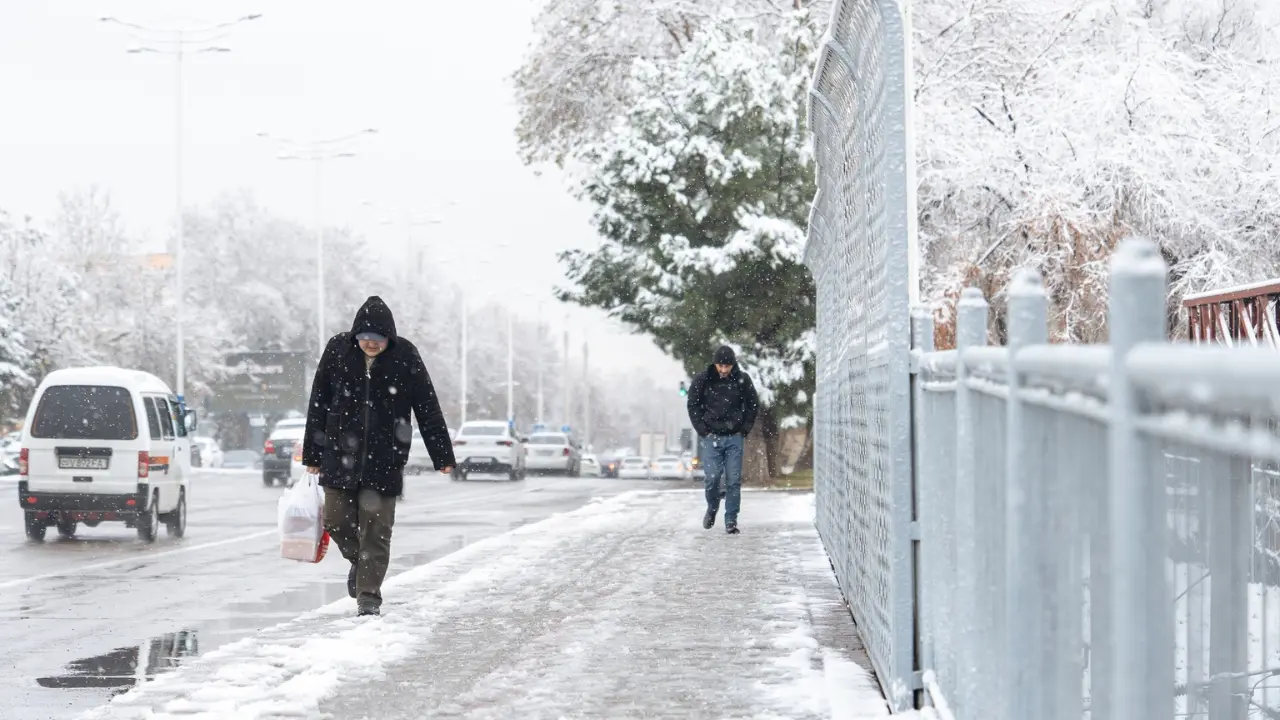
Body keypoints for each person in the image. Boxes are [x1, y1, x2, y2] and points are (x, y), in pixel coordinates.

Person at [301, 296, 455, 617]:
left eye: (378, 339)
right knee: (336, 520)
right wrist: (313, 453)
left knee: (376, 530)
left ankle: (368, 597)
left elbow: (427, 406)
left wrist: (441, 454)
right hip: (338, 455)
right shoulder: (338, 351)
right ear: (355, 335)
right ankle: (360, 562)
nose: (370, 344)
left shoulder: (406, 356)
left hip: (385, 460)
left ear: (390, 338)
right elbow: (319, 401)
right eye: (364, 339)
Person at [685, 345, 759, 535]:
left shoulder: (742, 380)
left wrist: (744, 429)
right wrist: (703, 430)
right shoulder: (703, 380)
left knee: (733, 480)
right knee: (712, 478)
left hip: (735, 437)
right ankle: (712, 506)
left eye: (727, 366)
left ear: (733, 365)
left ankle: (731, 520)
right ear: (715, 364)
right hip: (712, 437)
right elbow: (692, 404)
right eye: (721, 366)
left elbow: (753, 405)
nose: (724, 370)